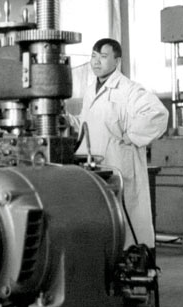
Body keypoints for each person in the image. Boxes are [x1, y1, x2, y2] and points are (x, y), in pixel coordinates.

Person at [71, 38, 168, 248]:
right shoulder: (90, 90)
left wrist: (131, 135)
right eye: (93, 57)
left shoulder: (128, 89)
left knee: (128, 226)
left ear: (117, 61)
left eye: (103, 57)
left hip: (120, 166)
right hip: (97, 167)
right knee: (105, 224)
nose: (96, 62)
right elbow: (87, 123)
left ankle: (135, 260)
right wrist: (68, 121)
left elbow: (158, 114)